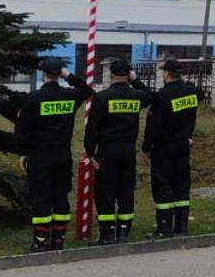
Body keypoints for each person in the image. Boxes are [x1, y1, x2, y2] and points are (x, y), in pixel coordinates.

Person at [14, 58, 92, 251]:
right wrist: (69, 75)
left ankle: (40, 242)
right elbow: (87, 90)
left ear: (43, 74)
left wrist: (23, 153)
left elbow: (22, 132)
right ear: (59, 74)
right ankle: (58, 240)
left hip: (40, 157)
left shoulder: (33, 99)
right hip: (62, 156)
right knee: (60, 198)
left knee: (41, 199)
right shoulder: (70, 96)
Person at [85, 59, 154, 244]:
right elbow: (152, 96)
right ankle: (124, 231)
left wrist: (90, 152)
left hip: (107, 150)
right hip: (128, 150)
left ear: (111, 74)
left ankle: (107, 234)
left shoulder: (102, 97)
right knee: (126, 190)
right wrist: (136, 80)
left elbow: (92, 128)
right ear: (128, 74)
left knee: (105, 191)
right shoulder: (137, 95)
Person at [144, 59, 201, 238]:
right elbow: (200, 93)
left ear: (166, 73)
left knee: (163, 186)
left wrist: (147, 147)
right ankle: (181, 227)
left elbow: (154, 126)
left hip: (164, 147)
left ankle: (164, 227)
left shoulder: (162, 96)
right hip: (183, 145)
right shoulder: (192, 92)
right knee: (182, 186)